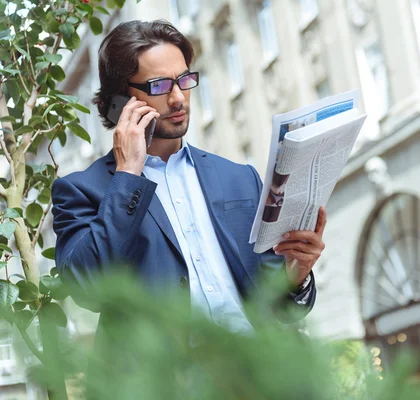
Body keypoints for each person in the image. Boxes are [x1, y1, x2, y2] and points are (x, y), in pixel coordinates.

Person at [51, 20, 326, 335]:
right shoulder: (82, 190)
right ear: (121, 101)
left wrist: (294, 278)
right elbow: (87, 289)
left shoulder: (241, 179)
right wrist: (128, 175)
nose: (178, 98)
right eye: (159, 86)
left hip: (253, 375)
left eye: (184, 80)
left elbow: (282, 311)